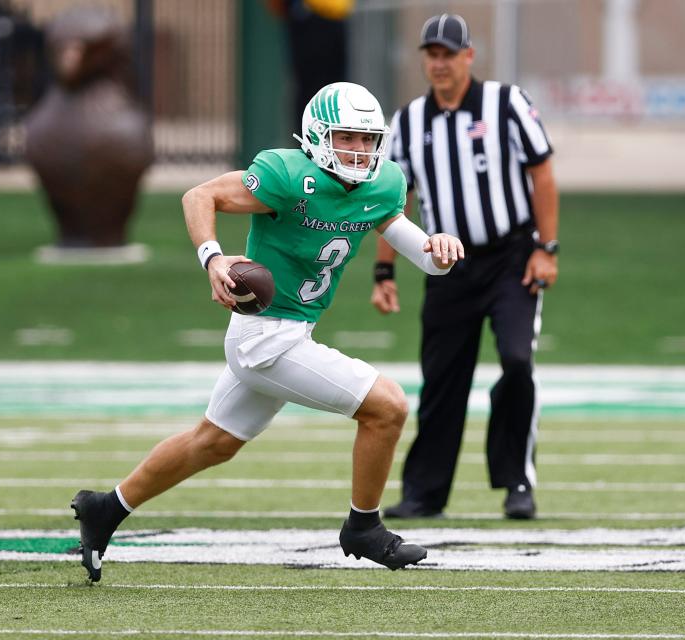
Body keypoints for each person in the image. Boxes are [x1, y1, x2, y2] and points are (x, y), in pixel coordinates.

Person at [70, 81, 465, 582]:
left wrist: (441, 249)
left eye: (368, 139)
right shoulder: (287, 174)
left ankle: (106, 508)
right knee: (388, 407)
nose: (360, 150)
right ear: (319, 135)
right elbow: (200, 195)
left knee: (212, 442)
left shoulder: (383, 184)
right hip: (264, 335)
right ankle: (363, 527)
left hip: (288, 332)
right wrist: (212, 259)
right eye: (348, 137)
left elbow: (425, 259)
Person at [372, 14, 559, 521]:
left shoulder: (507, 103)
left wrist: (548, 248)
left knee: (518, 361)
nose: (439, 63)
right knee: (441, 377)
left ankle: (517, 479)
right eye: (431, 54)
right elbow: (391, 200)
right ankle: (425, 492)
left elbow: (542, 172)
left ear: (468, 56)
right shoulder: (407, 121)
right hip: (446, 263)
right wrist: (384, 274)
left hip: (510, 257)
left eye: (448, 54)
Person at [267, 0, 353, 132]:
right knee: (311, 88)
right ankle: (306, 140)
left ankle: (333, 136)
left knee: (336, 88)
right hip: (309, 16)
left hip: (336, 16)